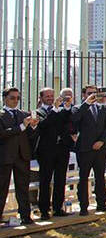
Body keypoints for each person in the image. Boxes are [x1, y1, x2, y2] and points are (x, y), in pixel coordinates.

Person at [72, 85, 106, 215]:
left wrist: (101, 141)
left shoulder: (103, 108)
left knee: (100, 176)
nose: (93, 95)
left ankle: (102, 203)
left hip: (100, 148)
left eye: (95, 93)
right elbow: (74, 119)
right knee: (84, 177)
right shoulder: (78, 108)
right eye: (90, 93)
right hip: (85, 148)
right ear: (84, 95)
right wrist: (87, 103)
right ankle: (83, 206)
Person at [0, 87, 38, 224]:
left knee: (23, 187)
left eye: (17, 98)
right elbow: (3, 134)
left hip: (22, 155)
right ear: (5, 98)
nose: (15, 100)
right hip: (5, 156)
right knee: (2, 188)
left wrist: (33, 126)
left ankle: (25, 216)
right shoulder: (1, 114)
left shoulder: (24, 114)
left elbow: (30, 136)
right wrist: (21, 127)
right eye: (12, 98)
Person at [34, 87, 70, 219]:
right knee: (45, 181)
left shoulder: (59, 110)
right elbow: (44, 125)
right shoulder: (38, 112)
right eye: (47, 96)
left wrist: (66, 107)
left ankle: (58, 208)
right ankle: (44, 210)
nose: (50, 98)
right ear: (41, 98)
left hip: (61, 149)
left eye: (51, 95)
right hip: (46, 152)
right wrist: (55, 109)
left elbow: (67, 122)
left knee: (60, 180)